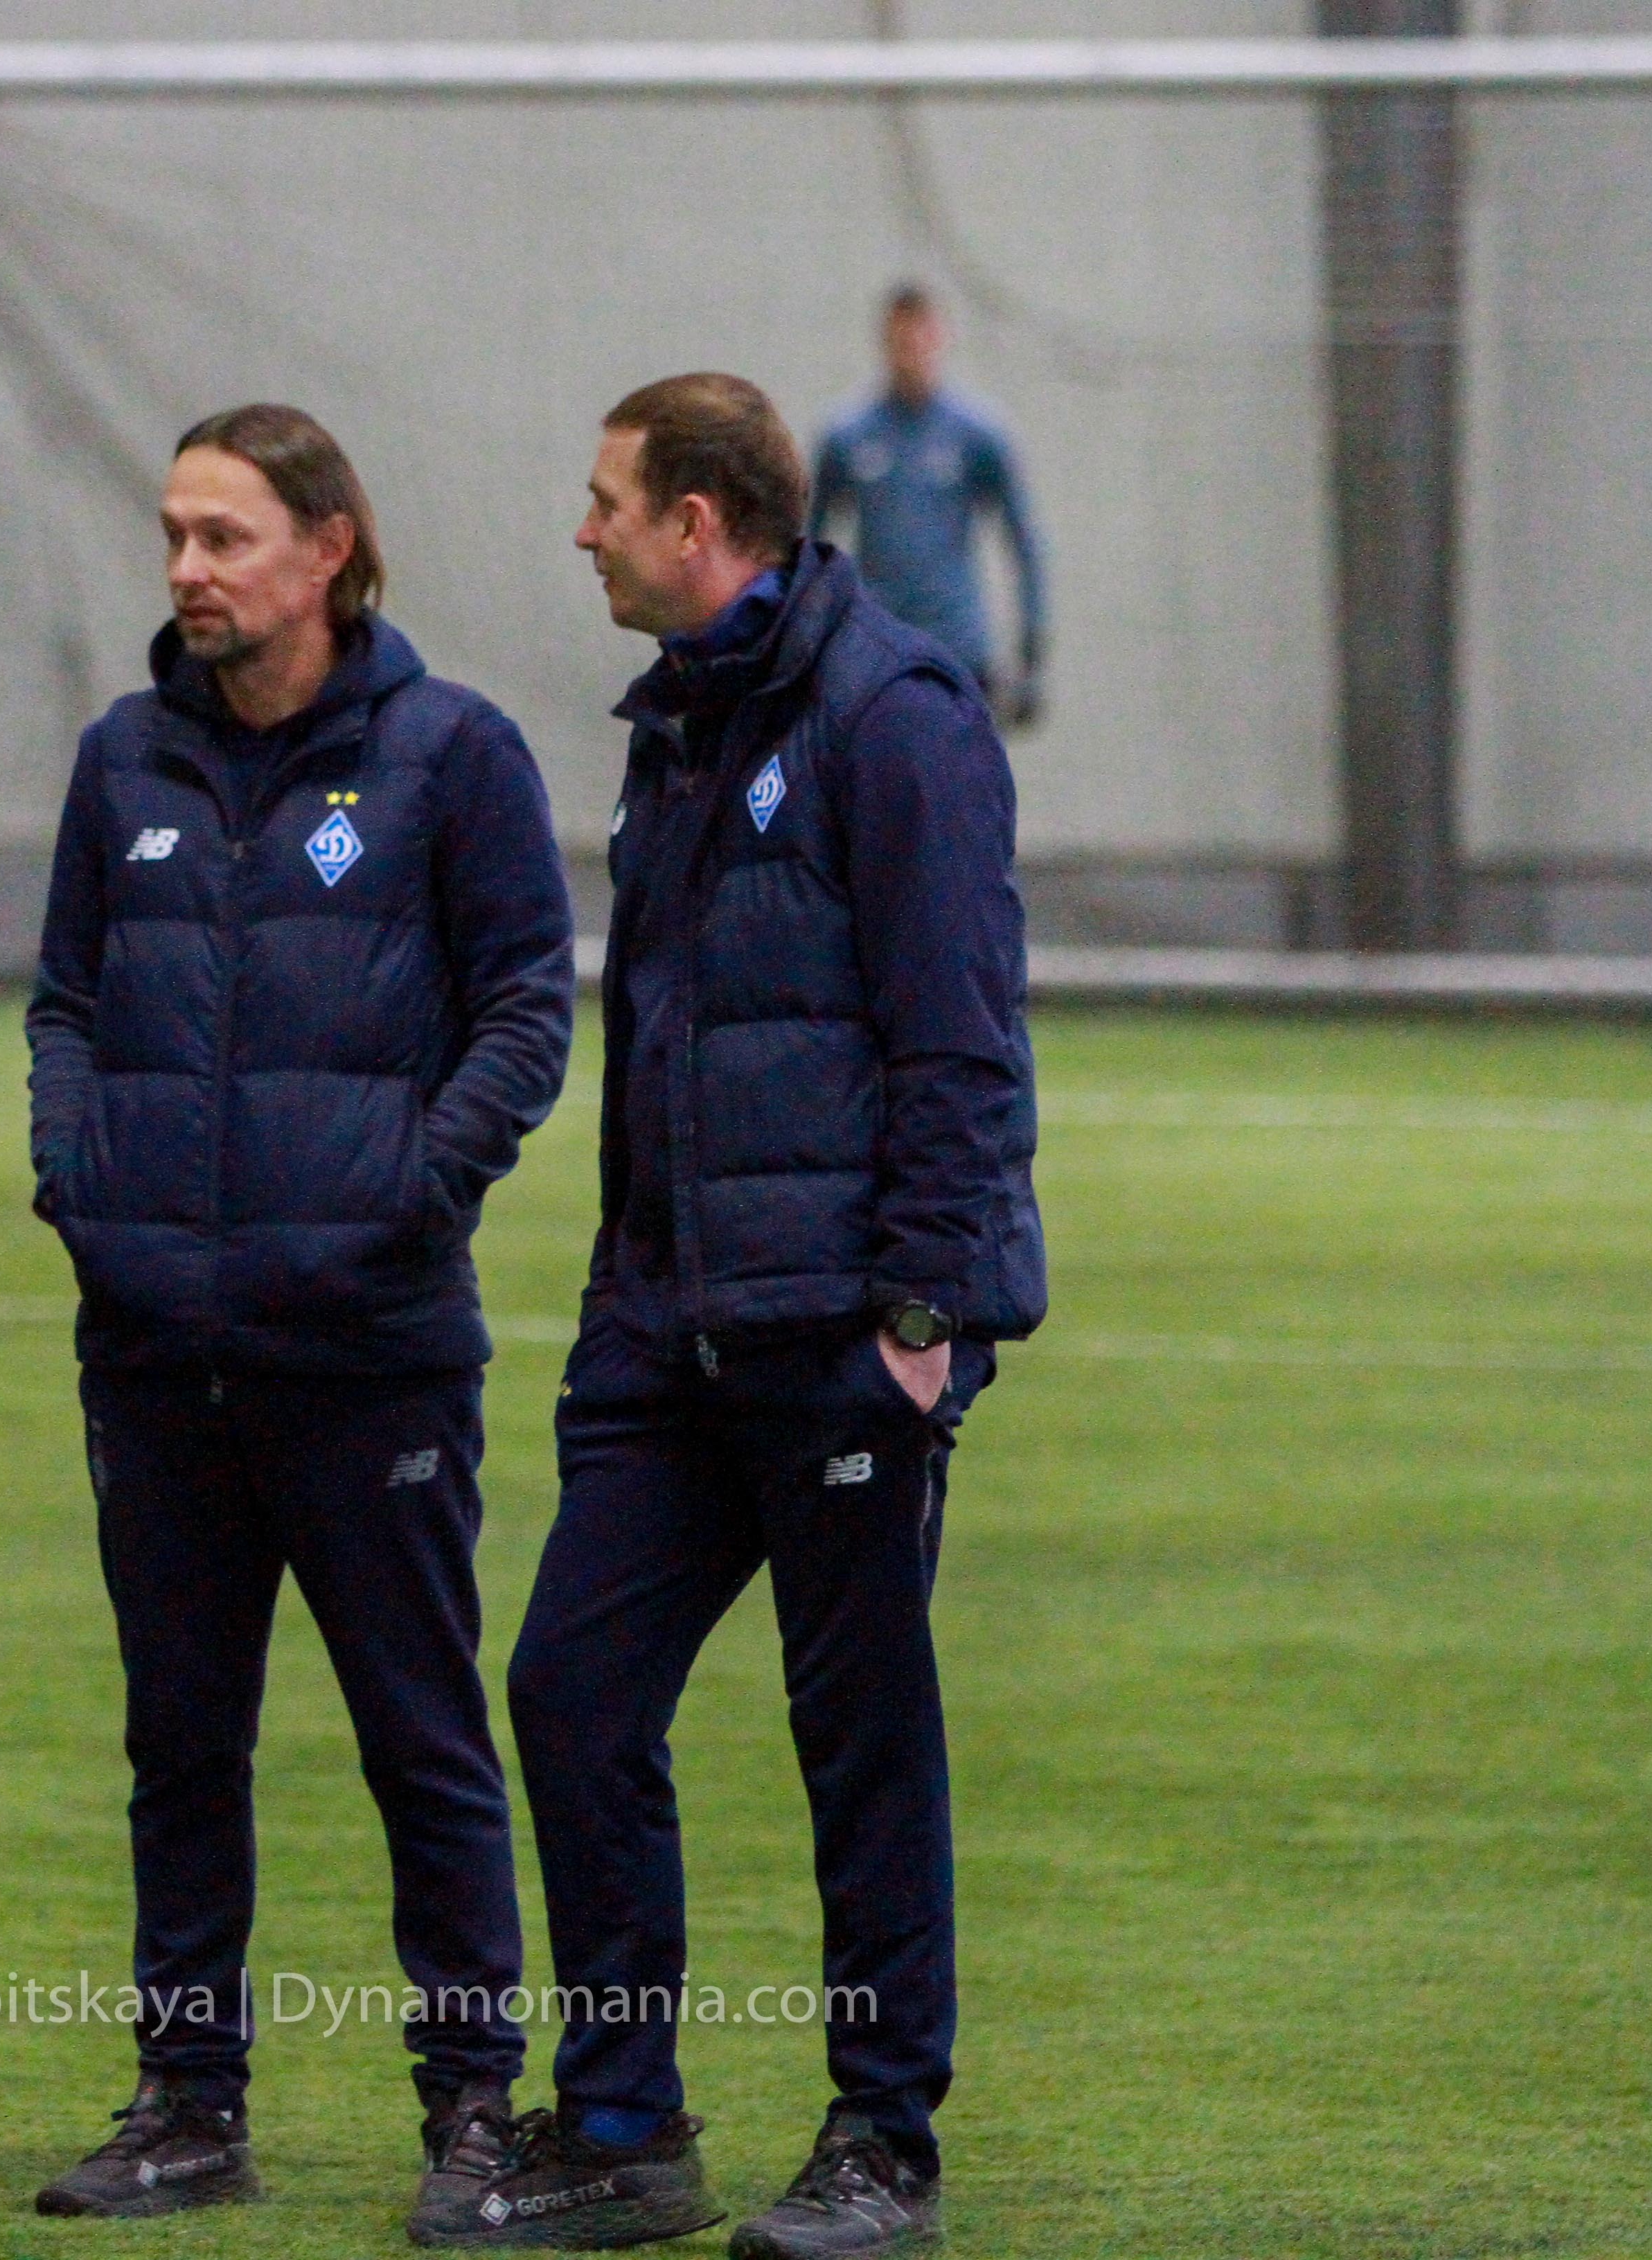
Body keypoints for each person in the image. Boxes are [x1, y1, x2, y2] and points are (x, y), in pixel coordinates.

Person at [443, 375, 1044, 2257]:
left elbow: (959, 1030)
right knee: (569, 1687)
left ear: (695, 523)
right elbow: (665, 1043)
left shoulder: (896, 713)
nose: (582, 530)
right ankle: (625, 2129)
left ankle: (884, 2143)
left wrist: (923, 1309)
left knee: (854, 1732)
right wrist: (621, 1293)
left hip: (841, 1331)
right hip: (670, 1329)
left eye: (605, 499)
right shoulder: (682, 723)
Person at [23, 404, 576, 2236]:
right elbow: (63, 1002)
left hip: (370, 1349)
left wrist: (406, 1191)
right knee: (179, 1742)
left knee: (420, 1733)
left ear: (327, 548)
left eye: (224, 536)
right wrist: (78, 1176)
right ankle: (187, 2102)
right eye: (173, 534)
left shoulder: (451, 754)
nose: (186, 568)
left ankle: (472, 2102)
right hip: (152, 1350)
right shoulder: (121, 759)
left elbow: (525, 1006)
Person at [808, 285, 1049, 729]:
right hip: (875, 652)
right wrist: (806, 647)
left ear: (941, 336)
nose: (912, 350)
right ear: (885, 341)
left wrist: (1032, 655)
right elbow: (809, 549)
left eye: (921, 336)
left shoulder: (977, 436)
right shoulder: (847, 436)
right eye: (902, 339)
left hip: (957, 651)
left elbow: (1024, 545)